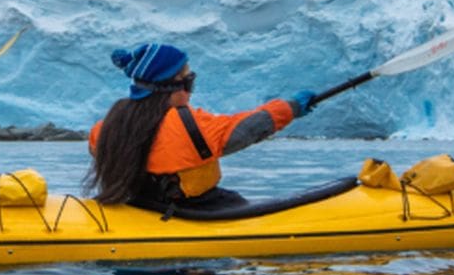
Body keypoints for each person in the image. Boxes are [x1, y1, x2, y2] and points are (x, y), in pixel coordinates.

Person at [85, 43, 315, 210]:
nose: (190, 84)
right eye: (187, 77)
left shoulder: (104, 128)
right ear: (174, 84)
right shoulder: (188, 125)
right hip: (192, 209)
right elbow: (247, 128)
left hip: (136, 206)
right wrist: (291, 107)